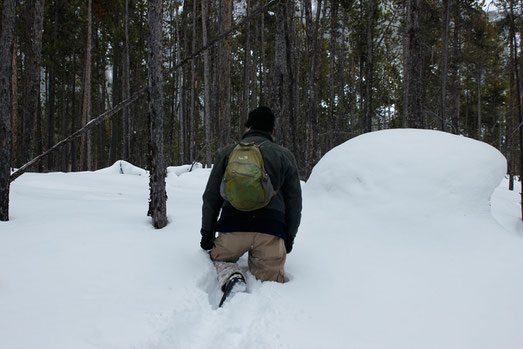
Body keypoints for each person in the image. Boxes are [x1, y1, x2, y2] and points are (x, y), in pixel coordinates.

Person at [200, 106, 302, 292]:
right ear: (272, 131)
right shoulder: (284, 156)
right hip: (271, 231)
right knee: (269, 285)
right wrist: (289, 237)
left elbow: (211, 197)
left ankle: (230, 274)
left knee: (220, 258)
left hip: (232, 228)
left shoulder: (228, 152)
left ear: (247, 127)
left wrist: (207, 234)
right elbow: (294, 201)